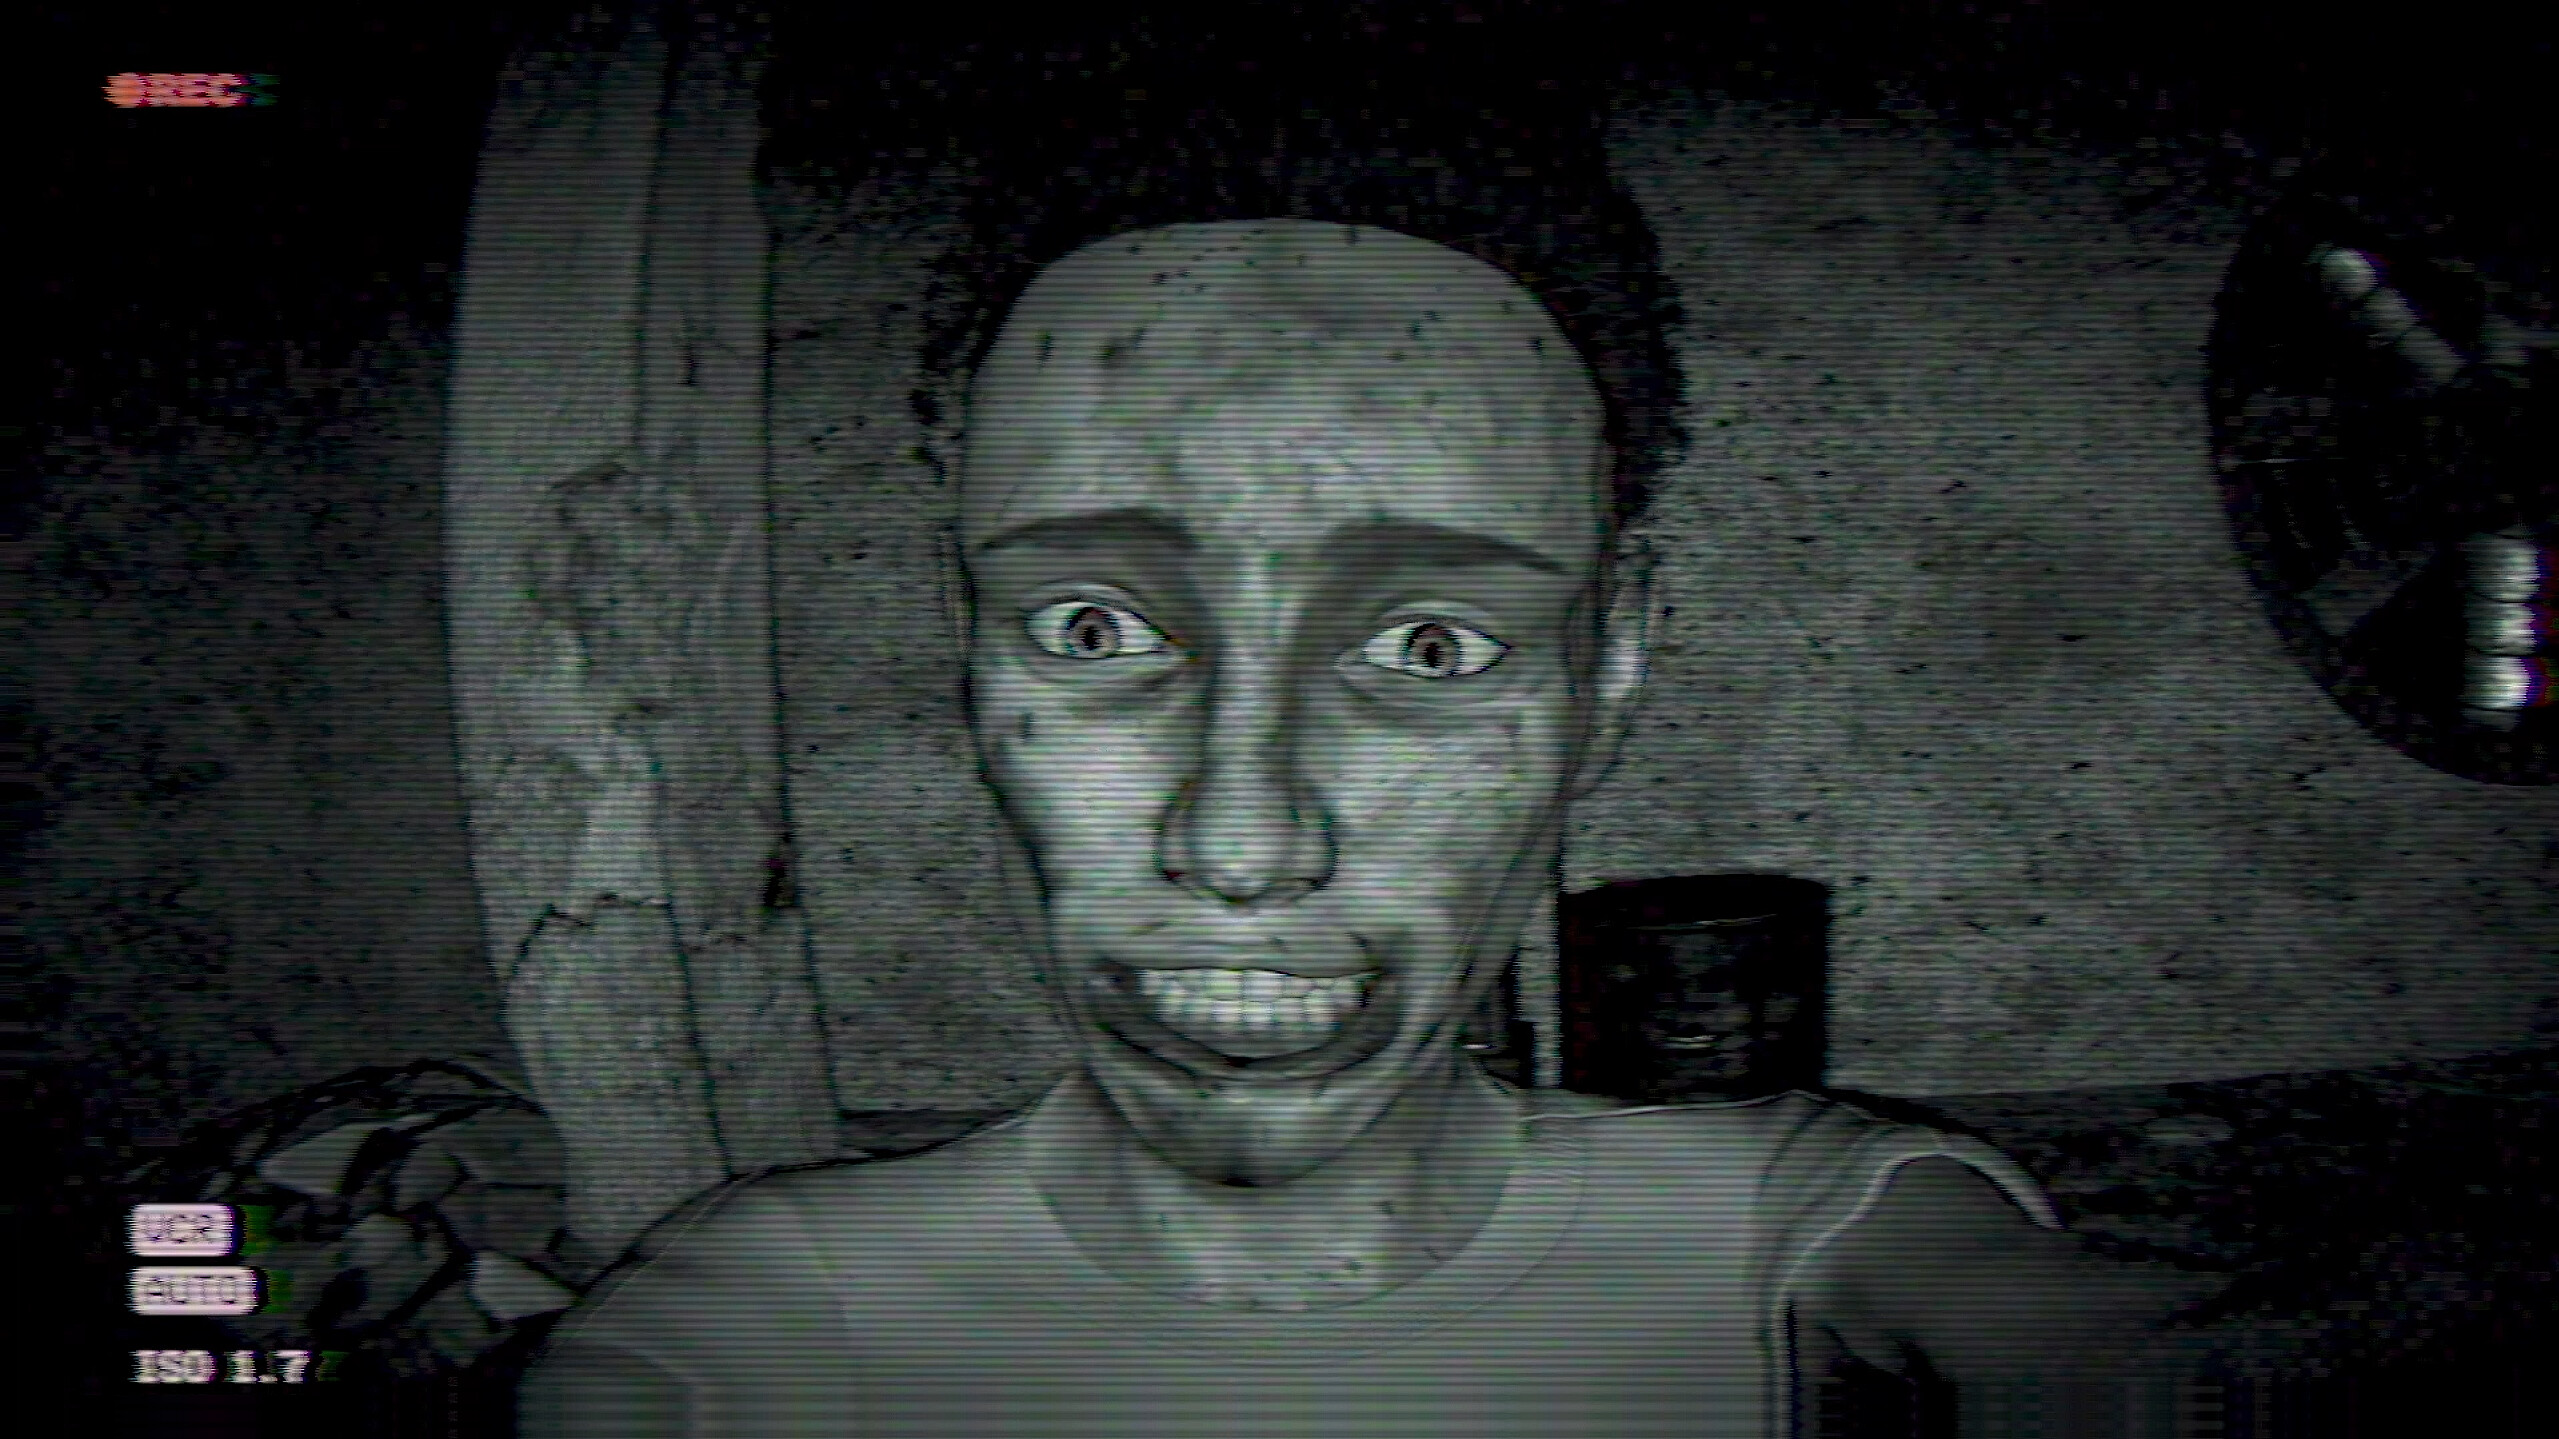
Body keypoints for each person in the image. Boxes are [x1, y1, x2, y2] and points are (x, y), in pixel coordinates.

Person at [520, 29, 2230, 1439]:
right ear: (963, 642)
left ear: (1610, 670)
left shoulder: (1777, 1216)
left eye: (1429, 644)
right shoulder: (762, 1315)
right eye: (1096, 629)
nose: (1243, 843)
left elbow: (2022, 1305)